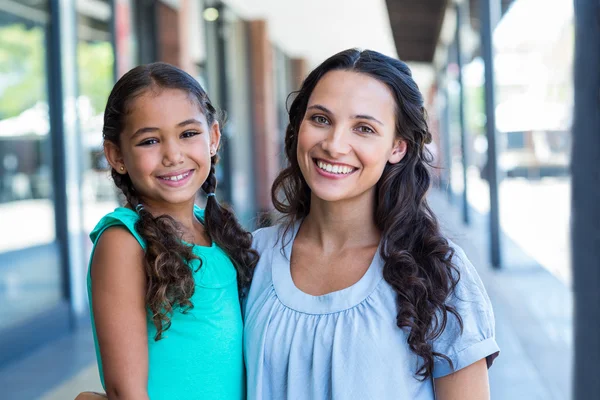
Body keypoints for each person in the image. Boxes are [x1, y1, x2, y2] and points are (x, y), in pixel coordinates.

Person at [243, 49, 499, 399]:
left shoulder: (436, 269)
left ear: (397, 147)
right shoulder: (252, 257)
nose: (334, 145)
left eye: (363, 128)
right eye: (320, 119)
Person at [87, 62, 257, 400]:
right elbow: (126, 391)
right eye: (149, 140)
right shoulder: (123, 241)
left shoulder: (217, 230)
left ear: (213, 137)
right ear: (116, 156)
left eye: (188, 134)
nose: (173, 155)